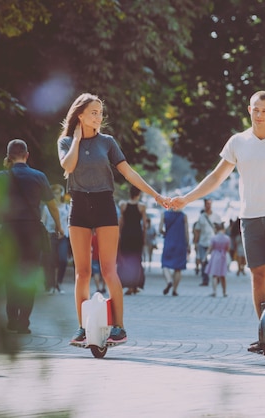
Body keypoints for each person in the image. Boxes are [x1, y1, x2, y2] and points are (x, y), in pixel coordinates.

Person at [170, 90, 265, 353]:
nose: (259, 115)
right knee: (257, 276)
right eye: (255, 109)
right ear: (248, 110)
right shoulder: (237, 142)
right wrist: (188, 198)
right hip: (250, 217)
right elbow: (216, 178)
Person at [58, 92, 168, 345]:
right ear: (80, 115)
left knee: (109, 269)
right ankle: (82, 328)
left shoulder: (107, 142)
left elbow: (128, 172)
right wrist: (75, 139)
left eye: (100, 113)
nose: (99, 117)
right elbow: (68, 167)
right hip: (79, 206)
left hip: (104, 204)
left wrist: (156, 195)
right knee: (82, 272)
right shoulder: (65, 142)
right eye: (93, 113)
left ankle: (119, 327)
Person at [0, 139, 64, 334]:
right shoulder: (38, 176)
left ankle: (12, 318)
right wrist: (59, 227)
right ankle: (24, 322)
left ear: (8, 156)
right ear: (27, 155)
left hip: (9, 230)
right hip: (32, 231)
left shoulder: (2, 176)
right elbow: (52, 206)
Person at [42, 183, 71, 295]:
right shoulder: (46, 207)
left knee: (63, 260)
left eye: (58, 193)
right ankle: (51, 285)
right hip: (51, 235)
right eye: (54, 193)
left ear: (61, 194)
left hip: (63, 236)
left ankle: (59, 282)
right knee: (50, 261)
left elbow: (69, 223)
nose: (56, 195)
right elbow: (43, 222)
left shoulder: (67, 207)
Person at [117, 186, 146, 295]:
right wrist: (144, 237)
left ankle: (128, 285)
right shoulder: (142, 207)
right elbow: (144, 225)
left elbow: (121, 221)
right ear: (138, 194)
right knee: (137, 259)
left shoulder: (123, 205)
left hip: (126, 235)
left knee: (126, 259)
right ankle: (135, 285)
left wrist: (119, 234)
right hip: (137, 235)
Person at [159, 208, 189, 296]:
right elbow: (186, 232)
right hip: (181, 243)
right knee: (178, 268)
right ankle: (175, 290)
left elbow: (160, 229)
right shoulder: (183, 216)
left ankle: (169, 281)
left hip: (168, 242)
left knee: (165, 264)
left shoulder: (164, 214)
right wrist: (188, 244)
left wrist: (166, 233)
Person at [194, 199, 222, 286]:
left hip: (213, 242)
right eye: (207, 204)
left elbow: (220, 229)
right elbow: (197, 230)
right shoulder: (201, 217)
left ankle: (216, 277)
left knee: (214, 261)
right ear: (204, 205)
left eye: (210, 204)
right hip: (202, 242)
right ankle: (205, 279)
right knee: (203, 261)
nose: (208, 205)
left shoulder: (216, 216)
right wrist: (195, 242)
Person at [206, 222, 231, 297]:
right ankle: (224, 292)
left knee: (214, 275)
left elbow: (210, 248)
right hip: (223, 256)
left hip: (215, 255)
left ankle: (214, 291)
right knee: (223, 275)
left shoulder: (214, 238)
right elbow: (228, 249)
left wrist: (206, 255)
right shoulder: (227, 238)